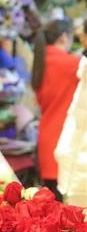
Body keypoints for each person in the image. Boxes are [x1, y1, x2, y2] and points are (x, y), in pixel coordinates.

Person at [31, 19, 80, 201]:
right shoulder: (72, 65)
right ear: (63, 38)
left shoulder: (40, 63)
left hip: (46, 142)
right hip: (64, 144)